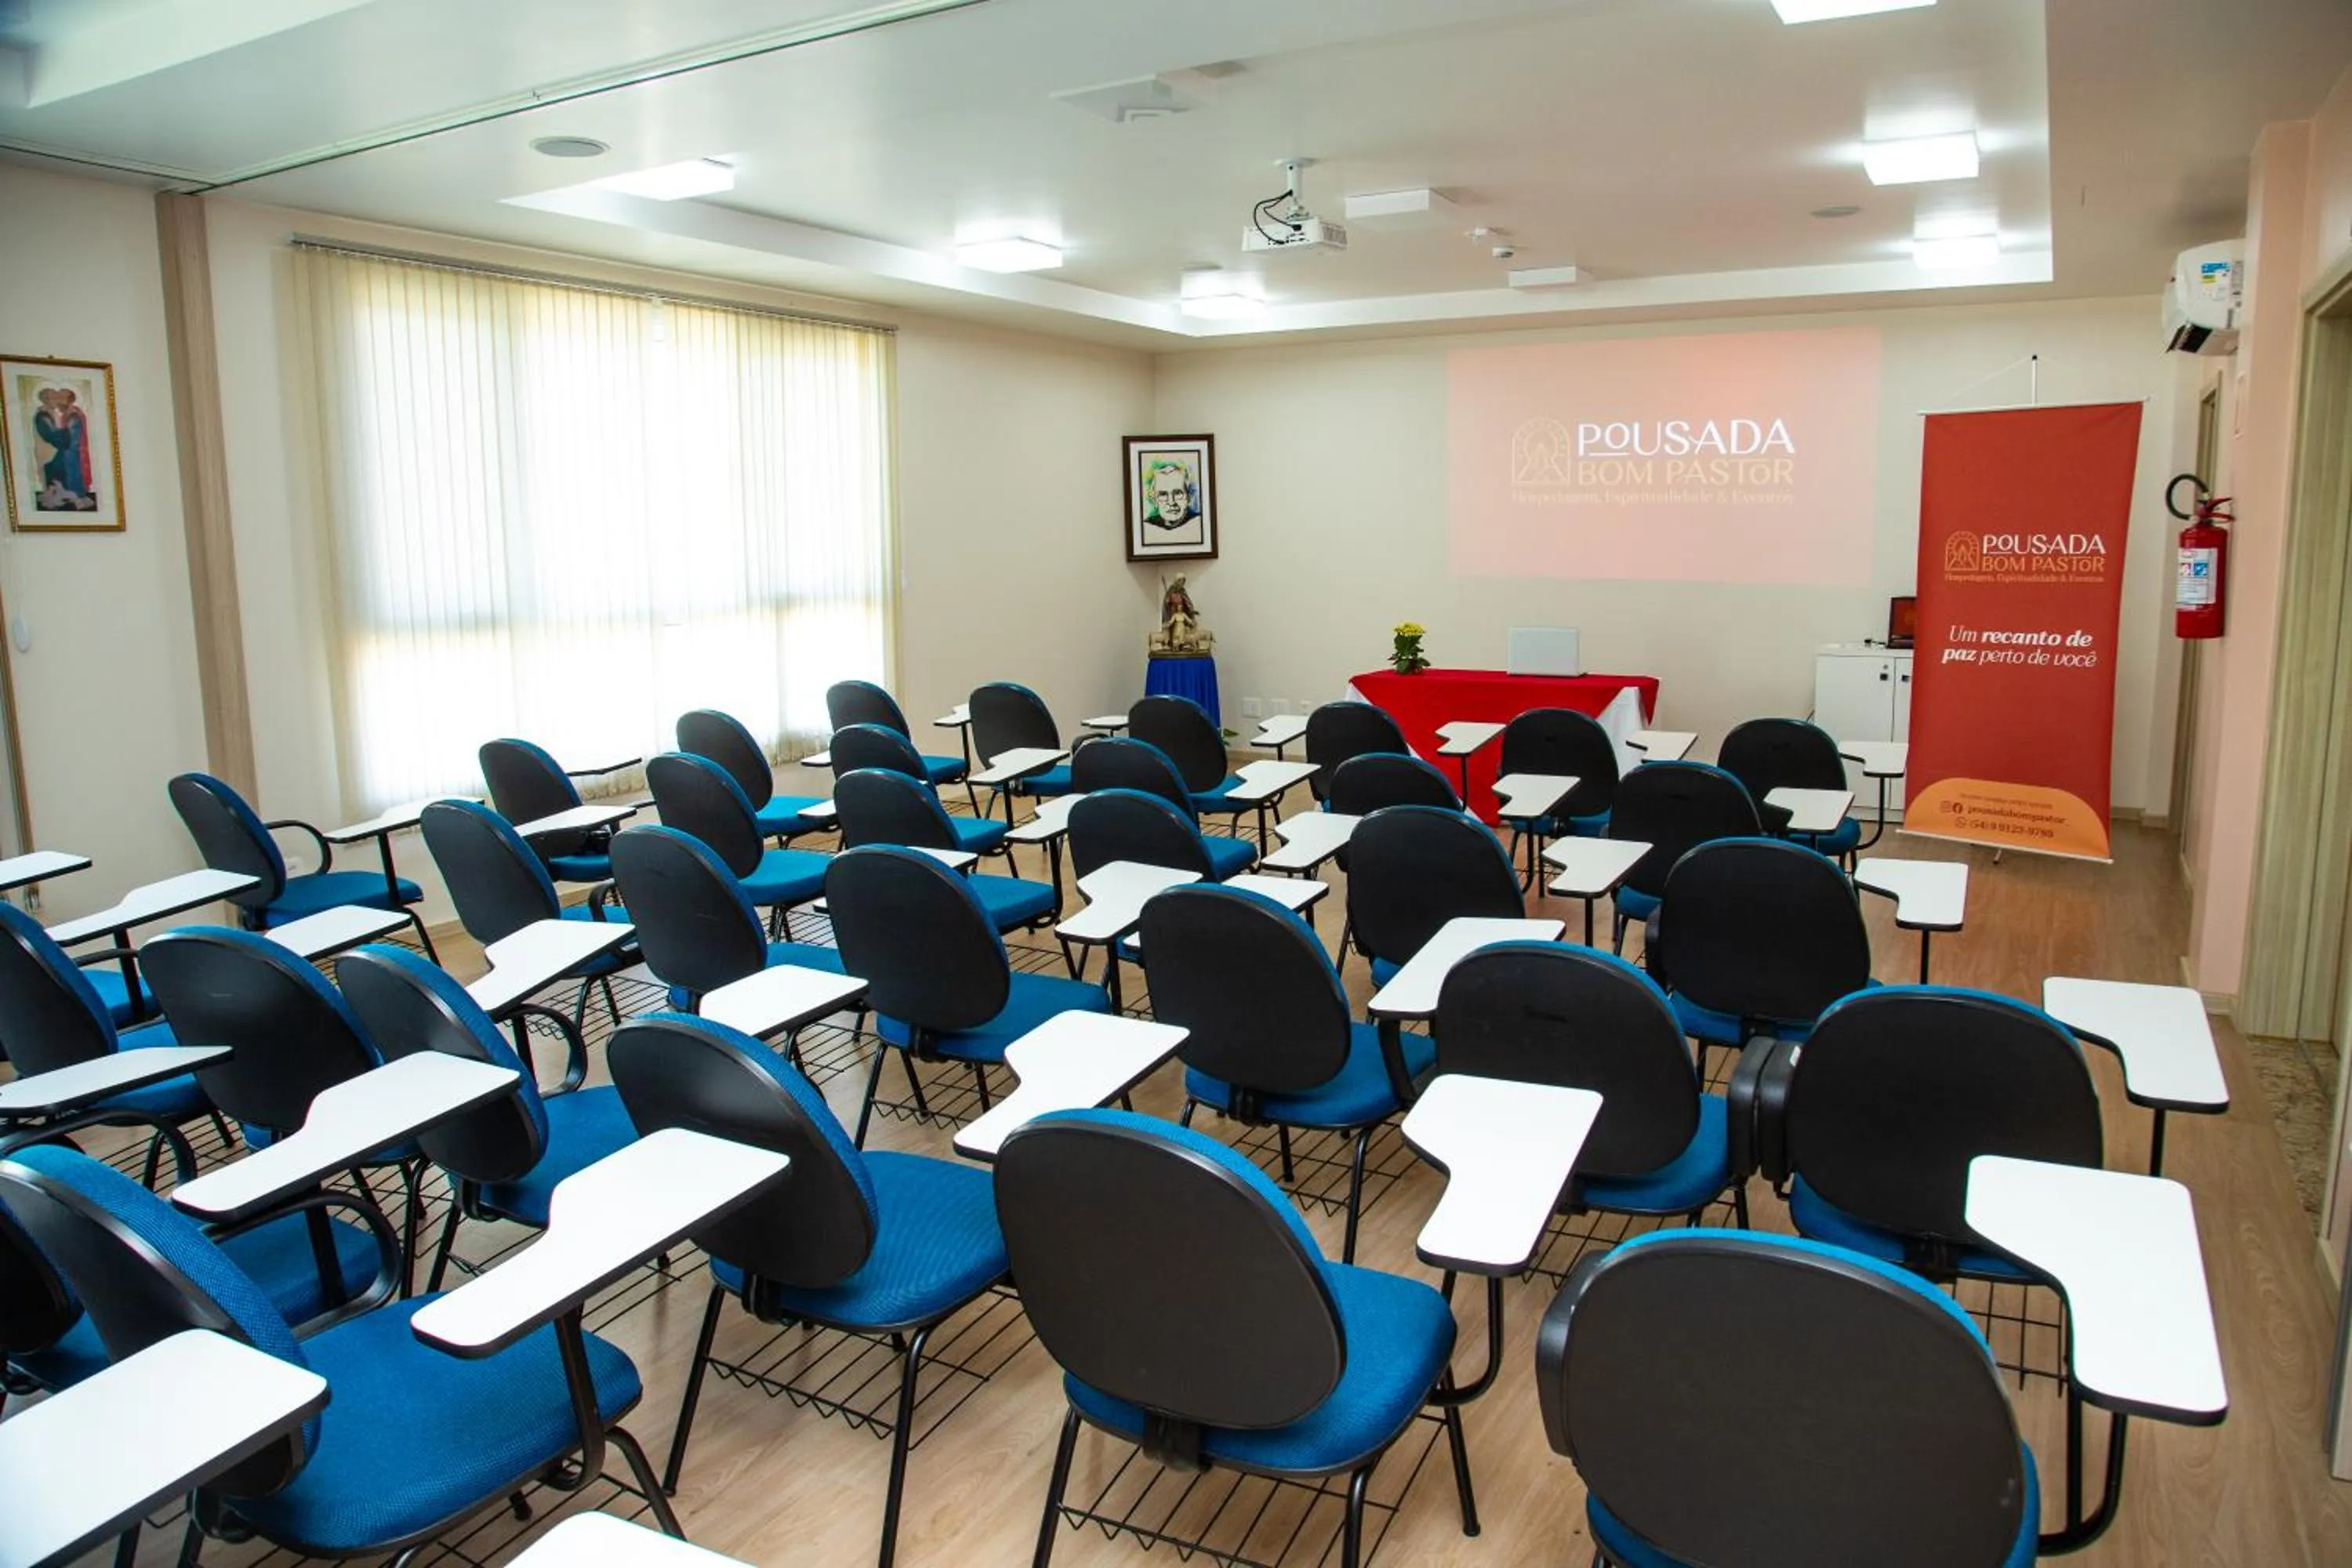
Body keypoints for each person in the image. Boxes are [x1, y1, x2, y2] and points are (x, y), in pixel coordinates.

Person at [31, 387, 95, 511]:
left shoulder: (73, 415)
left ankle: (73, 496)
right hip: (50, 452)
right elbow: (50, 434)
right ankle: (59, 497)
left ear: (69, 401)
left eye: (60, 398)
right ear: (46, 400)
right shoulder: (43, 415)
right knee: (55, 475)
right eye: (55, 398)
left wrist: (65, 437)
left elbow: (71, 435)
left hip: (69, 451)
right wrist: (63, 437)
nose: (58, 402)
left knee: (70, 473)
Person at [1145, 460, 1195, 532]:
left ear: (1188, 497)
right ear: (1154, 500)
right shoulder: (1147, 526)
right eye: (1163, 494)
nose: (1171, 502)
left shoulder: (1197, 521)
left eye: (1178, 493)